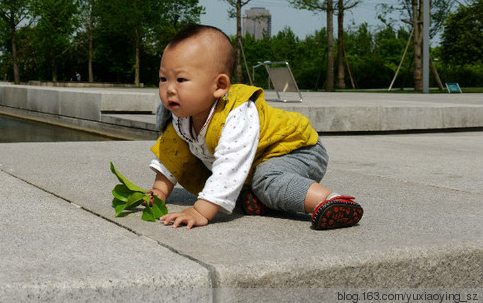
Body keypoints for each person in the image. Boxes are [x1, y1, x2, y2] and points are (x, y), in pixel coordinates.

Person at [146, 24, 363, 230]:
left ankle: (331, 200)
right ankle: (261, 201)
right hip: (259, 159)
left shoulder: (236, 113)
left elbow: (231, 165)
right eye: (163, 78)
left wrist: (200, 211)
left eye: (181, 79)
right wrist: (159, 191)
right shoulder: (181, 116)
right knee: (243, 187)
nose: (169, 89)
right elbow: (172, 156)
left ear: (219, 86)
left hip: (297, 150)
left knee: (268, 181)